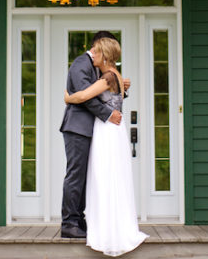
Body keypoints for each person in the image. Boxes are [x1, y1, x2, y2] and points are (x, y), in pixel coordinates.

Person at [64, 37, 148, 256]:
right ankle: (91, 224)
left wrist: (68, 96)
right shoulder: (114, 75)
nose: (93, 55)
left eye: (97, 51)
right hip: (109, 130)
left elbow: (83, 96)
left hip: (107, 130)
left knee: (104, 177)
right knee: (109, 177)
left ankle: (100, 227)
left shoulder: (108, 76)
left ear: (106, 55)